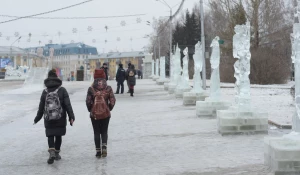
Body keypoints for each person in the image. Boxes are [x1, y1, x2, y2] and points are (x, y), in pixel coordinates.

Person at [34, 69, 75, 164]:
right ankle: (56, 153)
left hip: (48, 118)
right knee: (58, 135)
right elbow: (67, 104)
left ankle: (51, 151)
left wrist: (37, 118)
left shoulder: (45, 91)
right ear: (57, 78)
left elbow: (41, 107)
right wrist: (71, 117)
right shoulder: (62, 90)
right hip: (60, 117)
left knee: (50, 134)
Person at [86, 69, 116, 158]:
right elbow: (113, 100)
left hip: (94, 114)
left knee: (96, 132)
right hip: (105, 114)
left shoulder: (91, 88)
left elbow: (88, 101)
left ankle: (98, 151)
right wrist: (108, 108)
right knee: (104, 131)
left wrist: (90, 109)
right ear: (104, 77)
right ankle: (104, 147)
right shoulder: (108, 88)